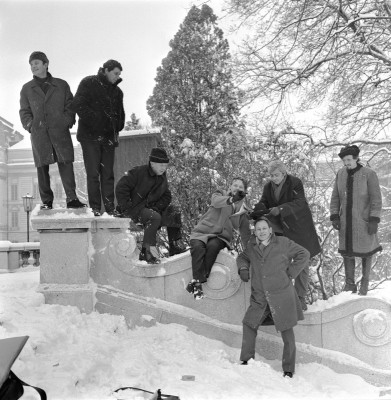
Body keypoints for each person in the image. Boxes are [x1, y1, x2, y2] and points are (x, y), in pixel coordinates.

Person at [237, 217, 310, 378]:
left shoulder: (283, 243)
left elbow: (304, 254)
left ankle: (288, 369)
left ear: (270, 230)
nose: (261, 232)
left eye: (264, 228)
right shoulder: (252, 245)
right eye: (258, 229)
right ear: (255, 232)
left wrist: (290, 272)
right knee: (248, 324)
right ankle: (246, 361)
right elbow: (243, 257)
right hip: (260, 297)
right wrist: (243, 268)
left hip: (281, 295)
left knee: (287, 331)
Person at [19, 51, 86, 210]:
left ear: (45, 64)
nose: (33, 66)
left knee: (66, 163)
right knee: (42, 167)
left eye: (36, 63)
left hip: (59, 131)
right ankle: (46, 201)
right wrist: (30, 125)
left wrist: (66, 121)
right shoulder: (27, 89)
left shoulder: (61, 85)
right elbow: (24, 111)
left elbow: (70, 106)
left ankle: (72, 198)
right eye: (31, 64)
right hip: (39, 133)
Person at [251, 160, 320, 310]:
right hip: (280, 228)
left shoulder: (295, 183)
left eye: (276, 175)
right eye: (271, 176)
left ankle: (300, 298)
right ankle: (284, 296)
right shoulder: (268, 186)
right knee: (280, 260)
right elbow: (264, 201)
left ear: (284, 173)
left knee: (303, 260)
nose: (273, 178)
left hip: (299, 225)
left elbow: (300, 202)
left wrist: (281, 209)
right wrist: (259, 209)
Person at [71, 59, 125, 216]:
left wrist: (117, 125)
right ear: (106, 70)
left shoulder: (117, 92)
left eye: (119, 74)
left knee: (108, 175)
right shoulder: (88, 83)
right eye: (115, 73)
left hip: (109, 138)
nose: (117, 77)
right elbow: (78, 105)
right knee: (93, 174)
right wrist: (96, 121)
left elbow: (121, 114)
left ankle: (110, 209)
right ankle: (95, 208)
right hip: (90, 138)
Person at [115, 147, 186, 264]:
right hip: (134, 210)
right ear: (152, 163)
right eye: (161, 165)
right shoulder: (138, 172)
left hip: (150, 210)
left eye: (165, 165)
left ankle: (175, 246)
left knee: (174, 211)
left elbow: (167, 196)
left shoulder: (162, 177)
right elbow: (121, 187)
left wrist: (157, 207)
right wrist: (127, 207)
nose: (164, 168)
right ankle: (147, 252)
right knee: (154, 217)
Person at [186, 177, 252, 300]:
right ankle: (197, 282)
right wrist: (232, 199)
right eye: (235, 185)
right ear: (230, 187)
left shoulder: (243, 210)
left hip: (221, 237)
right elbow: (216, 202)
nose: (237, 188)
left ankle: (196, 283)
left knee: (213, 247)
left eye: (240, 187)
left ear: (244, 191)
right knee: (197, 247)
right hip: (202, 232)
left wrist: (250, 252)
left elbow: (245, 233)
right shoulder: (219, 194)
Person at [330, 145, 382, 296]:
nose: (346, 163)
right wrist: (334, 215)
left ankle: (364, 285)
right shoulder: (340, 174)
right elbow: (335, 197)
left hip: (364, 221)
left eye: (348, 159)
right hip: (346, 222)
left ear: (356, 158)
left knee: (367, 252)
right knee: (347, 252)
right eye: (344, 160)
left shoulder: (369, 174)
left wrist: (374, 219)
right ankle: (349, 284)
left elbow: (376, 199)